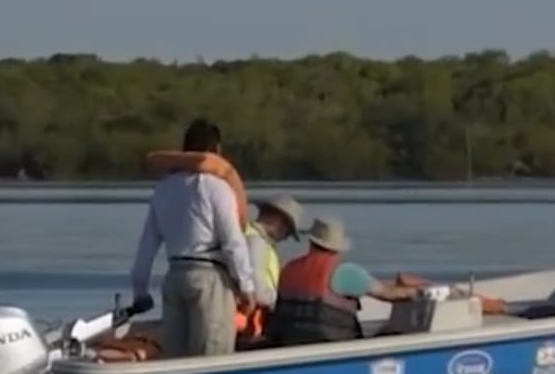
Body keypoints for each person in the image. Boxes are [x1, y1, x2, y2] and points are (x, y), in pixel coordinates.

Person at [128, 118, 261, 359]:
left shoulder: (163, 189)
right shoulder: (216, 187)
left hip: (175, 277)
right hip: (210, 279)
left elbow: (146, 247)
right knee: (212, 357)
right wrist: (247, 286)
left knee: (175, 359)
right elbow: (232, 241)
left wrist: (140, 290)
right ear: (217, 151)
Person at [265, 216, 435, 346]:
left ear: (311, 241)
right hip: (331, 342)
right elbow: (388, 294)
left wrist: (395, 284)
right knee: (390, 333)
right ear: (338, 246)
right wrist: (420, 289)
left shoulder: (289, 269)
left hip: (292, 341)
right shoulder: (345, 271)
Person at [237, 194, 311, 348]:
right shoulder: (256, 242)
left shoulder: (250, 236)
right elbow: (258, 293)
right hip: (247, 326)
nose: (286, 237)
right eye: (288, 231)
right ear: (278, 221)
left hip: (245, 322)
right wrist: (280, 301)